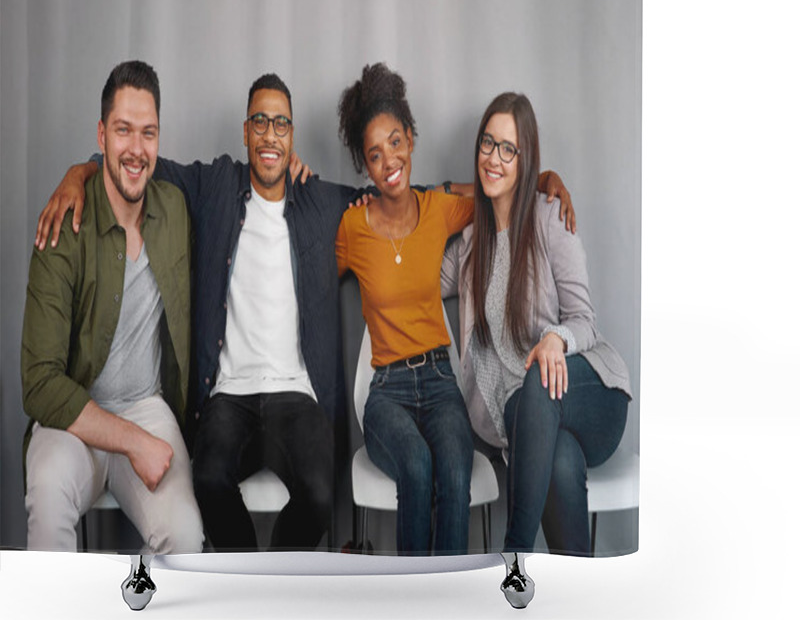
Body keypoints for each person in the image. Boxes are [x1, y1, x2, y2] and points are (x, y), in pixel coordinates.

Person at [35, 74, 350, 552]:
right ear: (246, 132)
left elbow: (393, 201)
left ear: (292, 135)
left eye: (281, 124)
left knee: (322, 493)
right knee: (208, 482)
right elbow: (135, 166)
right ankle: (241, 586)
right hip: (228, 395)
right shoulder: (213, 187)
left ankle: (276, 580)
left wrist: (468, 193)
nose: (270, 134)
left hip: (294, 393)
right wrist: (77, 173)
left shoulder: (317, 201)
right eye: (260, 122)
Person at [334, 64, 575, 556]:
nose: (389, 161)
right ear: (365, 163)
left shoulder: (440, 206)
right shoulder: (352, 228)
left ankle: (450, 602)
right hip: (386, 392)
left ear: (412, 141)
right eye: (374, 154)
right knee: (417, 467)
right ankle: (413, 599)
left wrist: (546, 176)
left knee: (454, 469)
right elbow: (308, 274)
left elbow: (501, 193)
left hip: (443, 384)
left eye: (396, 143)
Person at [440, 92, 632, 573]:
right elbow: (410, 251)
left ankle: (513, 554)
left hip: (590, 393)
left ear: (527, 160)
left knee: (539, 377)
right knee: (560, 460)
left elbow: (585, 321)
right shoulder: (467, 246)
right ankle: (581, 597)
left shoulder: (550, 217)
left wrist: (555, 339)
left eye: (509, 149)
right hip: (524, 420)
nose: (495, 158)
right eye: (488, 143)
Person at [21, 60, 203, 553]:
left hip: (147, 407)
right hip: (74, 415)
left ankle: (129, 606)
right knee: (49, 495)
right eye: (123, 130)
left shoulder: (175, 208)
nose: (136, 149)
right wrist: (133, 441)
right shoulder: (62, 223)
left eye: (149, 133)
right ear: (101, 135)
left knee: (185, 537)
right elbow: (38, 383)